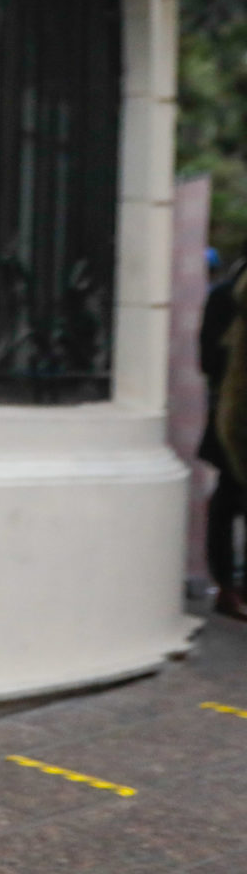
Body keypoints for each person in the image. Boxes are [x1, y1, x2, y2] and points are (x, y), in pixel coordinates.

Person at [203, 248, 247, 620]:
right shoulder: (225, 298)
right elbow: (208, 360)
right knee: (228, 500)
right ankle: (228, 587)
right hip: (233, 418)